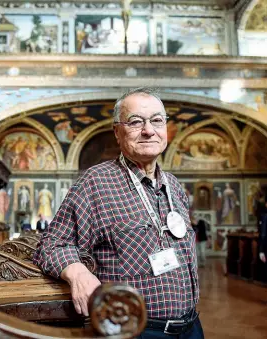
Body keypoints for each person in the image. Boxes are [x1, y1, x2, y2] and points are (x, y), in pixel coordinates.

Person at [33, 87, 203, 338]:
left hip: (191, 326)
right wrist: (77, 273)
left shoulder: (173, 185)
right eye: (136, 122)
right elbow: (51, 245)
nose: (148, 130)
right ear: (117, 131)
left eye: (157, 120)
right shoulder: (95, 182)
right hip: (132, 330)